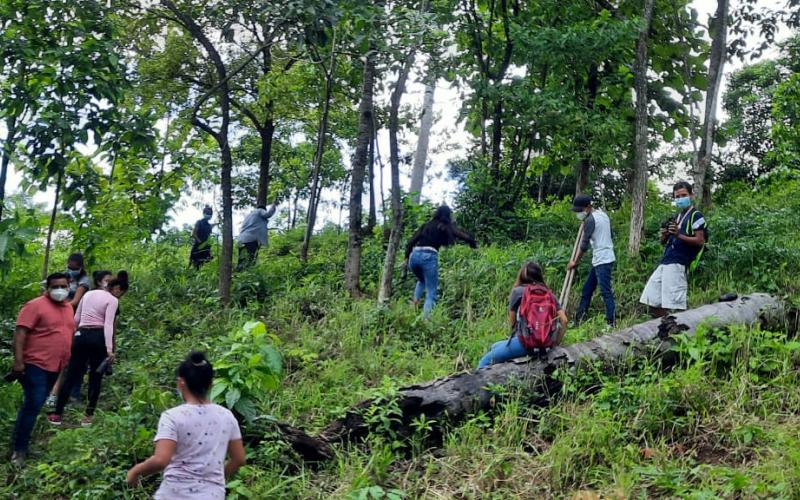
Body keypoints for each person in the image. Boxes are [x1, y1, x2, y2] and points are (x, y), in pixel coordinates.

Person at [126, 352, 246, 499]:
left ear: (180, 382)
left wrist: (135, 471)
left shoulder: (172, 417)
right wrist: (216, 479)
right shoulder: (226, 416)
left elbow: (160, 460)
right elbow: (239, 459)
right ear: (211, 384)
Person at [9, 273, 75, 467]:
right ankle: (19, 450)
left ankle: (20, 445)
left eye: (63, 286)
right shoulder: (35, 306)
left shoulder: (68, 308)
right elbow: (20, 333)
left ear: (69, 286)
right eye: (55, 286)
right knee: (33, 404)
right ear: (48, 288)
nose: (60, 290)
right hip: (35, 364)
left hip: (56, 365)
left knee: (35, 405)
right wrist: (18, 361)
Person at [48, 272, 129, 426]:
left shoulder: (88, 294)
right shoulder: (113, 300)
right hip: (98, 337)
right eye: (121, 293)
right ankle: (88, 416)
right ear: (117, 289)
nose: (120, 296)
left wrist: (71, 337)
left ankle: (57, 414)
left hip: (81, 335)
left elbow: (76, 318)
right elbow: (108, 324)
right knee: (95, 377)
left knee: (71, 375)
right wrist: (109, 349)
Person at [478, 262, 568, 368]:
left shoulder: (518, 291)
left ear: (522, 275)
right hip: (546, 345)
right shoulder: (549, 294)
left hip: (525, 344)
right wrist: (555, 343)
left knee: (485, 361)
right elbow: (564, 320)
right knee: (494, 346)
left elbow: (512, 323)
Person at [640, 181, 707, 317]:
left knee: (675, 303)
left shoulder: (696, 215)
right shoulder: (677, 217)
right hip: (666, 260)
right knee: (651, 298)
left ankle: (681, 325)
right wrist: (665, 234)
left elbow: (700, 241)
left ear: (691, 195)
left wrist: (678, 235)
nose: (680, 199)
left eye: (684, 195)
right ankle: (665, 324)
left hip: (679, 261)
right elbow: (663, 242)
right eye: (677, 196)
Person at [403, 205, 477, 317]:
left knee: (422, 280)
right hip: (429, 256)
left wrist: (406, 258)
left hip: (414, 256)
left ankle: (414, 306)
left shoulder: (427, 225)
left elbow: (410, 242)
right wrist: (473, 244)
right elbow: (463, 235)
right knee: (431, 294)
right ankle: (426, 320)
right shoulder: (445, 226)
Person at [567, 194, 616, 327]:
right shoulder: (603, 215)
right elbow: (610, 234)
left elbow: (583, 245)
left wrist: (575, 262)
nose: (579, 213)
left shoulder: (590, 220)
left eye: (580, 210)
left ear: (588, 207)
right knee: (587, 289)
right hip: (602, 258)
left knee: (606, 292)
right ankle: (579, 319)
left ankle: (611, 323)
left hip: (603, 259)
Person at [236, 202, 277, 270]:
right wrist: (273, 206)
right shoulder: (260, 211)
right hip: (250, 239)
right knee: (250, 258)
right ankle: (248, 272)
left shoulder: (249, 215)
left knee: (241, 259)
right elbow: (268, 214)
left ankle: (239, 272)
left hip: (241, 239)